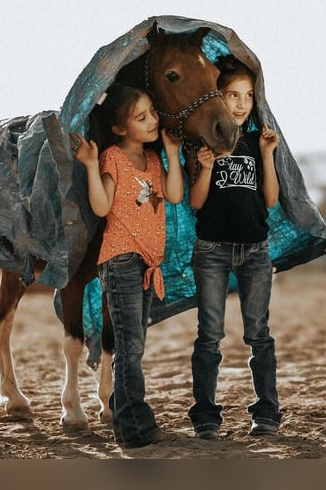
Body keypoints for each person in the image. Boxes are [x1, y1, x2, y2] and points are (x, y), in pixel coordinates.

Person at [71, 84, 184, 448]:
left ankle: (123, 413)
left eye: (152, 112)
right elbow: (102, 206)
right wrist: (90, 166)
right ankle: (135, 427)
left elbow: (176, 194)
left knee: (134, 346)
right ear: (120, 129)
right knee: (130, 347)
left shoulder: (152, 161)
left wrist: (170, 152)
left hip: (149, 264)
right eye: (141, 117)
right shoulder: (113, 158)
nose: (152, 120)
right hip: (121, 261)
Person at [186, 55, 283, 440]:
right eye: (231, 95)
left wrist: (268, 156)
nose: (241, 104)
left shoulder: (258, 142)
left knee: (259, 335)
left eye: (247, 96)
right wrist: (206, 167)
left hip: (255, 251)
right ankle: (206, 416)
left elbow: (271, 200)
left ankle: (267, 412)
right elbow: (195, 202)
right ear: (216, 99)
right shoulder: (203, 144)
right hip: (211, 250)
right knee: (209, 335)